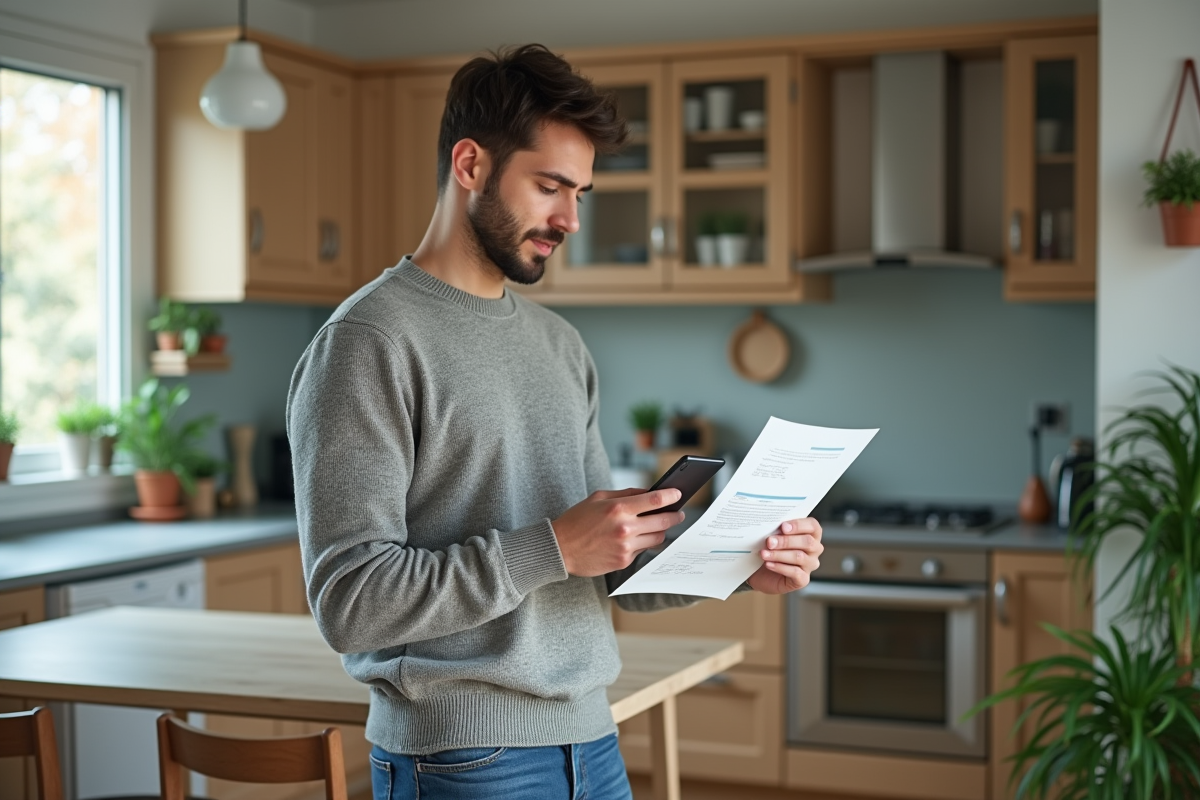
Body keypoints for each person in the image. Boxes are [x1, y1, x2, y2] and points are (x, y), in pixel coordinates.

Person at [286, 43, 824, 800]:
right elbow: (350, 602)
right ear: (470, 165)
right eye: (550, 186)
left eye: (583, 193)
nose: (571, 218)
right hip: (462, 761)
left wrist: (741, 566)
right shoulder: (368, 342)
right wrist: (551, 547)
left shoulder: (560, 346)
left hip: (594, 744)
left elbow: (602, 566)